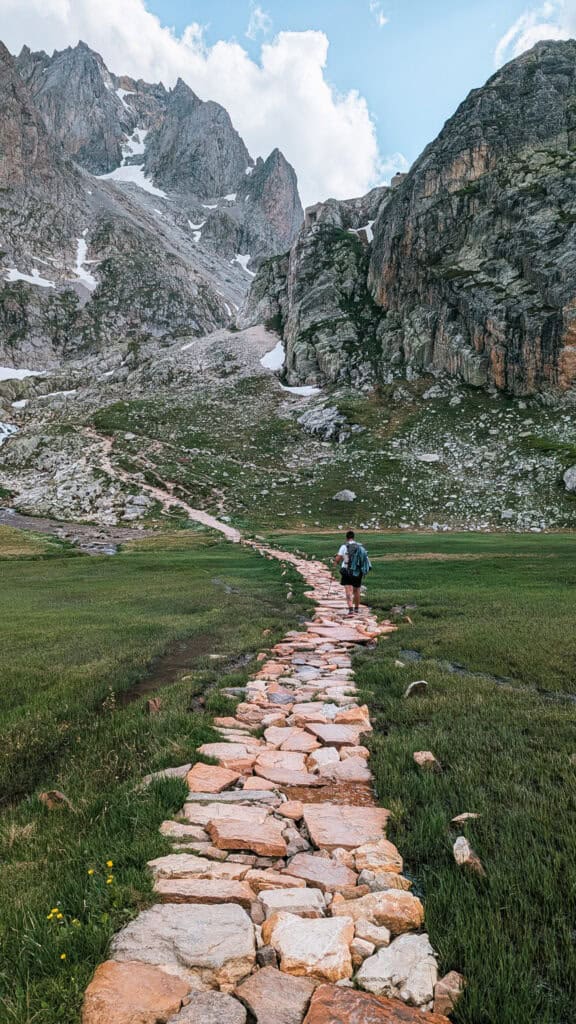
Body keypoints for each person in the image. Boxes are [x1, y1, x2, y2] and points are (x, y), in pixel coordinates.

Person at [334, 529, 371, 616]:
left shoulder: (344, 547)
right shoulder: (360, 547)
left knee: (348, 590)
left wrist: (335, 561)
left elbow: (338, 559)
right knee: (357, 589)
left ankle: (350, 609)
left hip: (346, 570)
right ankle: (357, 609)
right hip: (357, 571)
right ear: (354, 537)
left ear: (346, 538)